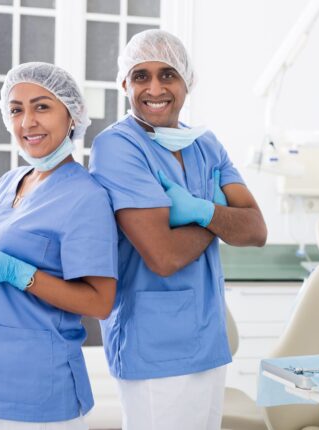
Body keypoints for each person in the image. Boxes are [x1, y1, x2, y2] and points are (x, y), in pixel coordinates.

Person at [89, 29, 267, 429]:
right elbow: (163, 256)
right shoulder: (118, 147)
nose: (155, 87)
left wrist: (200, 211)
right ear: (124, 84)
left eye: (168, 74)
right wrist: (217, 216)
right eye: (141, 76)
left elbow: (256, 230)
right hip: (151, 342)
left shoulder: (205, 143)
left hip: (207, 338)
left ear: (187, 82)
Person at [0, 62, 118, 429]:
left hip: (41, 388)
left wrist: (16, 272)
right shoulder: (11, 180)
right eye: (16, 109)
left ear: (72, 115)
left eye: (42, 107)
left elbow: (100, 302)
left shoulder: (85, 196)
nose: (27, 122)